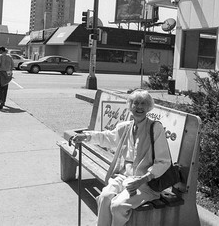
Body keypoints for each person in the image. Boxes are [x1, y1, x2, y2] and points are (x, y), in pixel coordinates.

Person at [71, 90, 172, 226]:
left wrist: (144, 178)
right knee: (105, 197)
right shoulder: (125, 127)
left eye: (143, 103)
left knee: (117, 206)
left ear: (148, 107)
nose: (139, 107)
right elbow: (107, 137)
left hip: (145, 181)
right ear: (130, 106)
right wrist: (86, 136)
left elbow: (163, 161)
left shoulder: (155, 128)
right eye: (135, 103)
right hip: (123, 176)